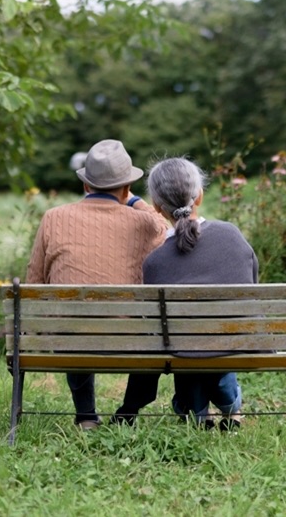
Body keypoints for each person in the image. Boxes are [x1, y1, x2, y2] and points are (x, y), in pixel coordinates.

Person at [25, 139, 167, 430]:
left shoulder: (53, 218)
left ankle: (86, 415)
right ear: (126, 189)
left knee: (74, 318)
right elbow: (167, 224)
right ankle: (128, 412)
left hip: (67, 340)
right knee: (151, 331)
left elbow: (34, 280)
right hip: (129, 340)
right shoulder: (145, 223)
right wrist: (137, 201)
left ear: (86, 186)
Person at [142, 157, 258, 430]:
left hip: (183, 349)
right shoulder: (231, 234)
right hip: (234, 339)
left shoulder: (155, 261)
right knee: (215, 336)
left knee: (187, 339)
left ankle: (195, 409)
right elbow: (251, 288)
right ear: (200, 196)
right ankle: (231, 407)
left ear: (157, 207)